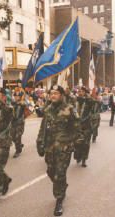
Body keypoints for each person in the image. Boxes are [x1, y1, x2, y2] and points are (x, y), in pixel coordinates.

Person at [37, 85, 83, 216]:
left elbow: (78, 129)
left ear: (62, 95)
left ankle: (59, 200)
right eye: (51, 93)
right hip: (50, 148)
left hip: (64, 149)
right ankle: (62, 186)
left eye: (56, 93)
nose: (53, 96)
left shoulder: (70, 110)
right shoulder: (48, 110)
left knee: (59, 174)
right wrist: (39, 142)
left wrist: (78, 146)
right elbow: (43, 128)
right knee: (51, 171)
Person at [74, 87, 93, 167]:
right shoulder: (76, 101)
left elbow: (92, 111)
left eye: (82, 91)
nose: (80, 92)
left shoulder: (89, 100)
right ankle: (78, 156)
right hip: (77, 125)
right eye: (79, 91)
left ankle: (84, 159)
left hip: (86, 125)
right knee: (77, 142)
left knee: (86, 143)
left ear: (85, 92)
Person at [11, 92, 26, 158]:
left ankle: (18, 150)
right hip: (13, 122)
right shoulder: (13, 103)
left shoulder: (22, 103)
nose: (16, 97)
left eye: (17, 96)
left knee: (18, 136)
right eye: (15, 96)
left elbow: (23, 104)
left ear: (20, 97)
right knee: (12, 136)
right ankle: (19, 144)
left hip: (20, 123)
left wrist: (16, 103)